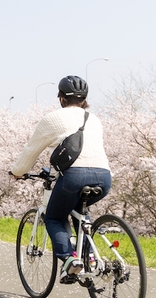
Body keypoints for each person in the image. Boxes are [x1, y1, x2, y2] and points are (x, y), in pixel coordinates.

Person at [10, 75, 111, 282]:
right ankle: (89, 256)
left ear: (61, 98)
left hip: (74, 177)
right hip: (104, 176)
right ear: (84, 99)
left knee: (54, 217)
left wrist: (18, 171)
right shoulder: (94, 119)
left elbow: (31, 151)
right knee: (79, 212)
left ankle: (69, 259)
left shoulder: (52, 119)